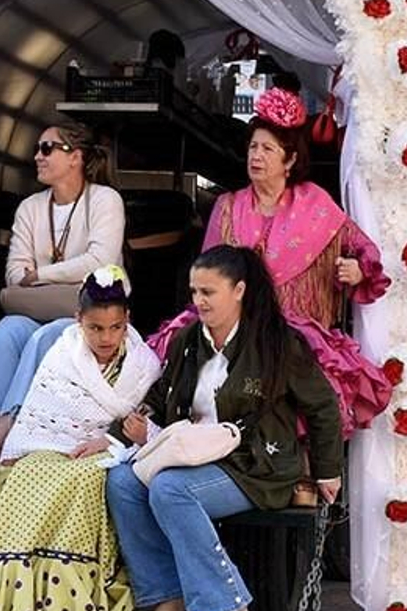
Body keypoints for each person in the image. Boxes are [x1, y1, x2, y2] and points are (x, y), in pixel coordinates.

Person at [107, 246, 343, 611]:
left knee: (171, 489)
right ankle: (168, 596)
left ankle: (224, 606)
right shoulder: (187, 340)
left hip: (256, 465)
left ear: (239, 291)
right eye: (194, 292)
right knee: (123, 482)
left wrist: (327, 471)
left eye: (208, 292)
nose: (198, 301)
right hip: (192, 456)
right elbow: (160, 398)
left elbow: (322, 406)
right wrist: (120, 432)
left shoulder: (278, 343)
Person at [0, 266, 161, 611]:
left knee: (86, 477)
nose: (106, 337)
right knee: (28, 473)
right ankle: (6, 593)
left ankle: (66, 599)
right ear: (78, 319)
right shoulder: (63, 352)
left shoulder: (143, 363)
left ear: (127, 320)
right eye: (96, 328)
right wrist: (20, 450)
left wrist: (110, 441)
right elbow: (40, 413)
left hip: (107, 451)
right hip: (50, 446)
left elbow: (148, 418)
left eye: (115, 327)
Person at [149, 86, 391, 439]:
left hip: (292, 331)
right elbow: (206, 274)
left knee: (306, 379)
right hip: (231, 327)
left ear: (289, 161)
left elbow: (364, 250)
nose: (256, 156)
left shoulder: (316, 205)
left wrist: (356, 269)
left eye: (267, 149)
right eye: (253, 147)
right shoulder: (228, 206)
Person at [0, 122, 126, 489]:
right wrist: (59, 277)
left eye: (47, 148)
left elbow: (100, 262)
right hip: (41, 308)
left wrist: (41, 274)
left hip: (90, 316)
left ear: (76, 157)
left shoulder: (104, 199)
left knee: (46, 338)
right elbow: (15, 273)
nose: (37, 156)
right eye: (37, 148)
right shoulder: (30, 207)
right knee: (4, 334)